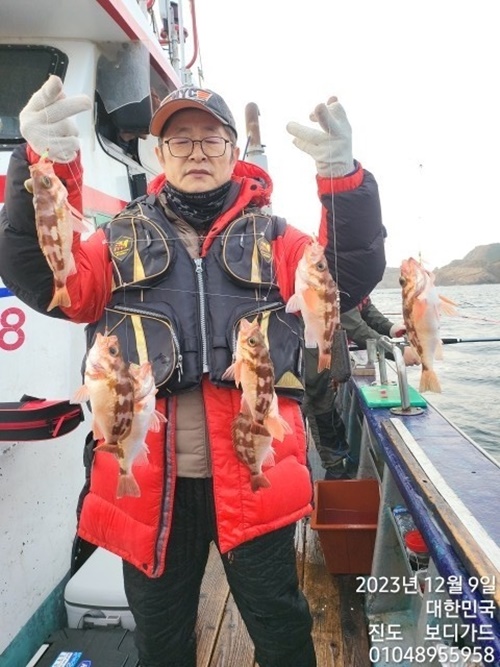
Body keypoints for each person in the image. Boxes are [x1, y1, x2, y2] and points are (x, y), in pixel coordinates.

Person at [0, 78, 386, 667]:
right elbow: (46, 278)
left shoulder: (280, 239)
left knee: (283, 629)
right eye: (181, 141)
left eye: (212, 140)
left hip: (257, 475)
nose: (197, 153)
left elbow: (345, 276)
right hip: (149, 486)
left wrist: (344, 183)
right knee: (160, 642)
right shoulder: (113, 240)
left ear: (233, 152)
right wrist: (37, 166)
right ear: (160, 154)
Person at [303, 296, 420, 479]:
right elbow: (354, 325)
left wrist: (391, 328)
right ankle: (331, 470)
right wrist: (398, 352)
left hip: (325, 358)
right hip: (309, 359)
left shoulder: (356, 285)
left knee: (326, 411)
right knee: (318, 410)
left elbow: (365, 308)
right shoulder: (334, 284)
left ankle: (335, 466)